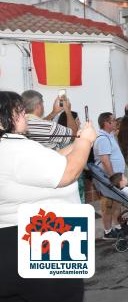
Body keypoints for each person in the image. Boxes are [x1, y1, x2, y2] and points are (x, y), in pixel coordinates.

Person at [0, 91, 95, 302]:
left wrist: (76, 143)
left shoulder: (9, 148)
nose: (24, 113)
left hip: (12, 238)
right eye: (17, 110)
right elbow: (68, 173)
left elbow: (50, 161)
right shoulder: (15, 148)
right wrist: (86, 142)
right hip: (43, 233)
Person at [94, 112, 127, 240]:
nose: (115, 122)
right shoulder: (102, 139)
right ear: (106, 123)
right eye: (113, 120)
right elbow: (105, 160)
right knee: (107, 205)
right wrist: (113, 177)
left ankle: (117, 227)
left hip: (114, 177)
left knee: (116, 203)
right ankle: (108, 232)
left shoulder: (110, 135)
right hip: (108, 179)